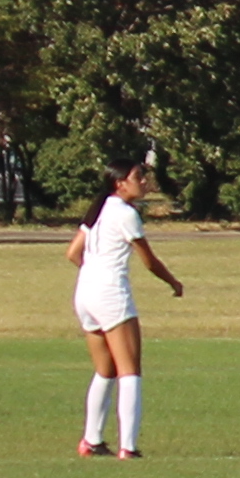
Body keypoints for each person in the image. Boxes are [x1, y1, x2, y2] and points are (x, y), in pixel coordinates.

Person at [62, 150, 184, 458]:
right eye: (137, 177)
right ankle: (128, 447)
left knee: (105, 370)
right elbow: (149, 260)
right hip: (110, 294)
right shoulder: (126, 214)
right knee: (130, 371)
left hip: (85, 293)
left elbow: (73, 253)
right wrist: (173, 282)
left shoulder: (98, 209)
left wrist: (94, 273)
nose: (144, 182)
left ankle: (91, 440)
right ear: (119, 183)